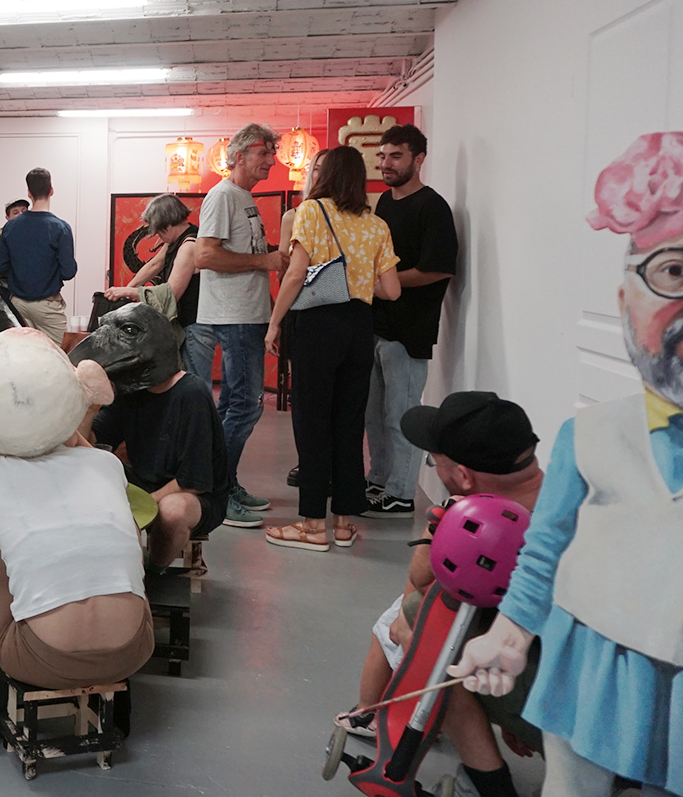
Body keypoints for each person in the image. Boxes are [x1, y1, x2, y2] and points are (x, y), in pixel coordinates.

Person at [451, 132, 683, 797]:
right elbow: (545, 547)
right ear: (626, 302)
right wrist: (511, 633)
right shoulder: (592, 435)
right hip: (593, 660)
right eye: (672, 273)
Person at [0, 328, 152, 753]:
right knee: (119, 532)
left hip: (38, 659)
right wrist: (61, 424)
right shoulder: (105, 465)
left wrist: (6, 443)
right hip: (135, 648)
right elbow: (77, 449)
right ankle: (117, 694)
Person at [339, 392, 544, 797]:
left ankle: (491, 788)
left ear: (464, 476)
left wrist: (447, 520)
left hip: (563, 713)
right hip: (618, 705)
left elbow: (421, 581)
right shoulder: (563, 501)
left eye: (435, 462)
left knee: (420, 621)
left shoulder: (497, 532)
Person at [263, 145, 400, 551]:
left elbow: (295, 275)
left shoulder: (311, 211)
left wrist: (274, 323)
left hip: (318, 324)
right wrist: (357, 281)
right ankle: (342, 523)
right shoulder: (376, 225)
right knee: (348, 423)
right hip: (359, 326)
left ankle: (311, 524)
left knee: (312, 422)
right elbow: (391, 290)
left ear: (326, 176)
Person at [78, 303, 229, 580]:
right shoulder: (131, 391)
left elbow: (193, 481)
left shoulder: (191, 394)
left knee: (172, 511)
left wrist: (145, 503)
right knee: (90, 476)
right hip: (146, 478)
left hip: (194, 492)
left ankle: (155, 572)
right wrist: (90, 405)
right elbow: (88, 445)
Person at [193, 124, 290, 528]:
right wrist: (265, 261)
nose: (271, 161)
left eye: (272, 153)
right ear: (238, 156)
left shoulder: (243, 197)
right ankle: (218, 492)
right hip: (233, 315)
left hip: (247, 314)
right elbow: (204, 256)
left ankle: (224, 482)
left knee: (233, 405)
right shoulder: (222, 196)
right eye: (263, 153)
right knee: (246, 406)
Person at [365, 125, 459, 516]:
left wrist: (385, 284)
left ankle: (401, 493)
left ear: (419, 159)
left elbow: (438, 268)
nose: (386, 163)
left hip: (410, 330)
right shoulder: (385, 203)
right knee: (373, 414)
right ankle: (379, 479)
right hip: (376, 324)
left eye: (396, 156)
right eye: (383, 156)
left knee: (400, 414)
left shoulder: (432, 207)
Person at [103, 194, 201, 366]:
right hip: (186, 323)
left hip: (193, 326)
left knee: (194, 377)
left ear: (167, 225)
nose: (158, 237)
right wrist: (125, 290)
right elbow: (155, 264)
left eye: (158, 231)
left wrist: (128, 291)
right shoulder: (176, 240)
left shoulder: (188, 246)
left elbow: (170, 294)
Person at [281, 149, 327, 488]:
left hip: (337, 308)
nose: (322, 176)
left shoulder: (357, 218)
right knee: (304, 395)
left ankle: (327, 465)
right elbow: (287, 268)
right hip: (301, 308)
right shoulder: (294, 215)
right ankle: (309, 460)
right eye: (317, 169)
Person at [0, 168, 77, 346]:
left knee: (22, 353)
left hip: (18, 304)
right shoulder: (60, 228)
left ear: (29, 193)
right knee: (59, 355)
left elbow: (1, 268)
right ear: (51, 190)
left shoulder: (11, 226)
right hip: (47, 306)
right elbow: (68, 272)